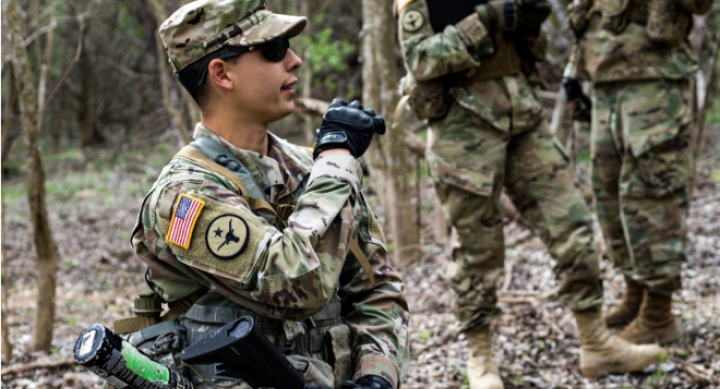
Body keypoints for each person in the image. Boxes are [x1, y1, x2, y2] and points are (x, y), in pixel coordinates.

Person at [125, 1, 409, 388]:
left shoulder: (311, 167)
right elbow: (295, 283)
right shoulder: (183, 197)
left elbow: (377, 287)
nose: (295, 61)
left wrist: (376, 375)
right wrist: (337, 160)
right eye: (274, 50)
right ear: (222, 74)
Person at [396, 0, 663, 387]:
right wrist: (485, 19)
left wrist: (527, 15)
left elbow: (530, 38)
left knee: (571, 221)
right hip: (461, 124)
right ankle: (481, 356)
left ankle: (595, 340)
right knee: (477, 246)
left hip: (520, 112)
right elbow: (420, 60)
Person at [563, 0, 712, 344]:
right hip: (604, 77)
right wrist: (574, 74)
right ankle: (636, 294)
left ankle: (659, 313)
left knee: (652, 197)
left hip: (655, 79)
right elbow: (592, 13)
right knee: (609, 196)